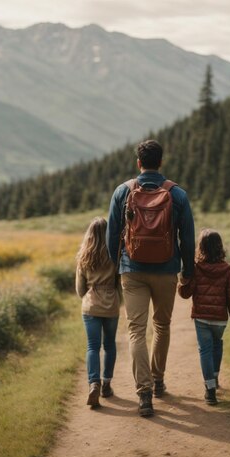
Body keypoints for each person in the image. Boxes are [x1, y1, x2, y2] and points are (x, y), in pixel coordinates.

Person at [107, 139, 195, 417]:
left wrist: (114, 268)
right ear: (161, 162)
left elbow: (111, 236)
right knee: (162, 326)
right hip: (167, 269)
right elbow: (188, 238)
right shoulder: (177, 194)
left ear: (138, 163)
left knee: (136, 330)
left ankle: (143, 393)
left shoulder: (123, 191)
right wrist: (188, 272)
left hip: (131, 270)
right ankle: (157, 381)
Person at [177, 229, 230, 405]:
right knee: (217, 345)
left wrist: (182, 281)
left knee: (205, 350)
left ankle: (210, 389)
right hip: (220, 319)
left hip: (202, 319)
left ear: (201, 247)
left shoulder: (197, 268)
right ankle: (215, 377)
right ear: (220, 247)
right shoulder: (228, 270)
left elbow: (185, 294)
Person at [76, 217, 121, 409]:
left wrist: (90, 293)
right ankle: (107, 385)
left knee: (92, 347)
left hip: (91, 306)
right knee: (109, 344)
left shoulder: (84, 257)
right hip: (111, 305)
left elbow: (80, 290)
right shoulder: (115, 255)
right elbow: (120, 284)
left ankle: (93, 383)